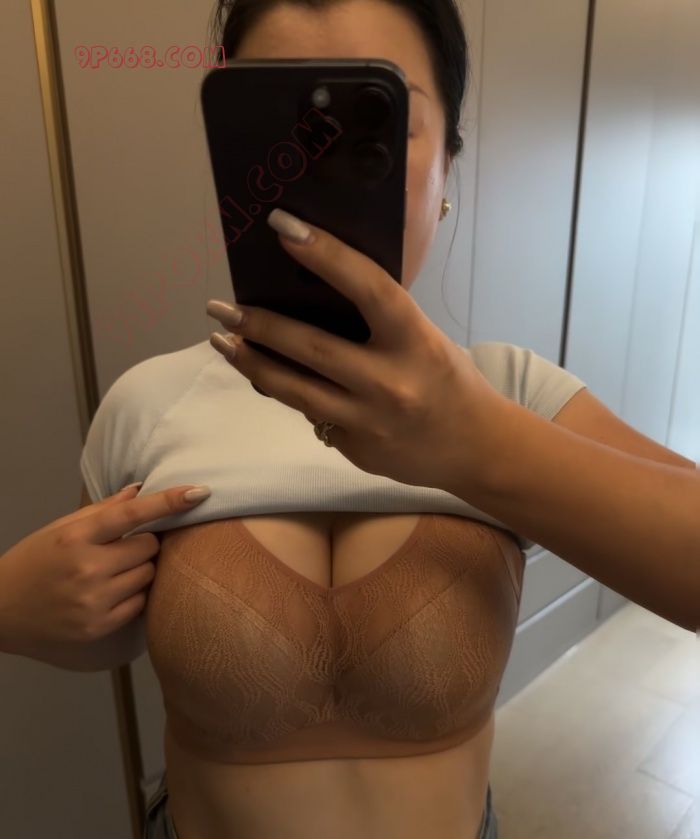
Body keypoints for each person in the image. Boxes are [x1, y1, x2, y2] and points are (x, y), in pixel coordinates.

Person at [0, 2, 697, 839]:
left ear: (449, 162)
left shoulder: (510, 394)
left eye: (376, 121)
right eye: (285, 131)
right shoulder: (148, 403)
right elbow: (102, 631)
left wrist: (476, 443)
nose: (319, 166)